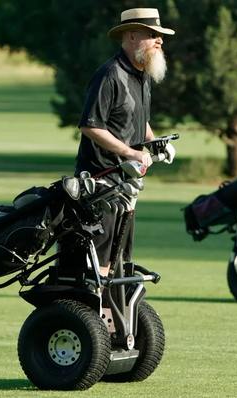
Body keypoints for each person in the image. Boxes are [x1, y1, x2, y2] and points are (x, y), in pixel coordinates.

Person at [73, 8, 175, 269]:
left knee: (121, 258)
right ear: (131, 36)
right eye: (152, 34)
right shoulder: (110, 74)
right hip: (101, 184)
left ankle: (111, 309)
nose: (159, 40)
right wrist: (131, 152)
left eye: (159, 35)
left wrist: (155, 142)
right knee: (103, 260)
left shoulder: (142, 75)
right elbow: (90, 126)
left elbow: (137, 119)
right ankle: (98, 309)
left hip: (126, 183)